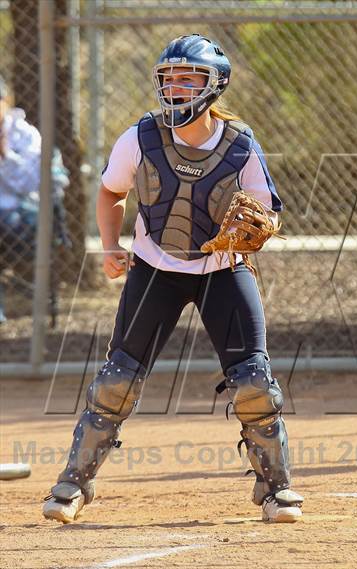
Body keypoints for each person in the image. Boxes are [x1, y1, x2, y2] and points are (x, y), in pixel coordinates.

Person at [43, 34, 303, 524]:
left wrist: (255, 230)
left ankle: (276, 489)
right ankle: (73, 485)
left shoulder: (240, 144)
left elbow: (266, 211)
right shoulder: (139, 138)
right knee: (116, 381)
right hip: (155, 270)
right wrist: (110, 246)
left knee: (253, 383)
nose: (175, 88)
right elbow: (109, 193)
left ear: (215, 85)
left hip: (222, 271)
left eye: (188, 79)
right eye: (168, 79)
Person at [0, 74, 69, 323]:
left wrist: (5, 154)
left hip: (22, 212)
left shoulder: (26, 135)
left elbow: (30, 183)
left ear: (6, 100)